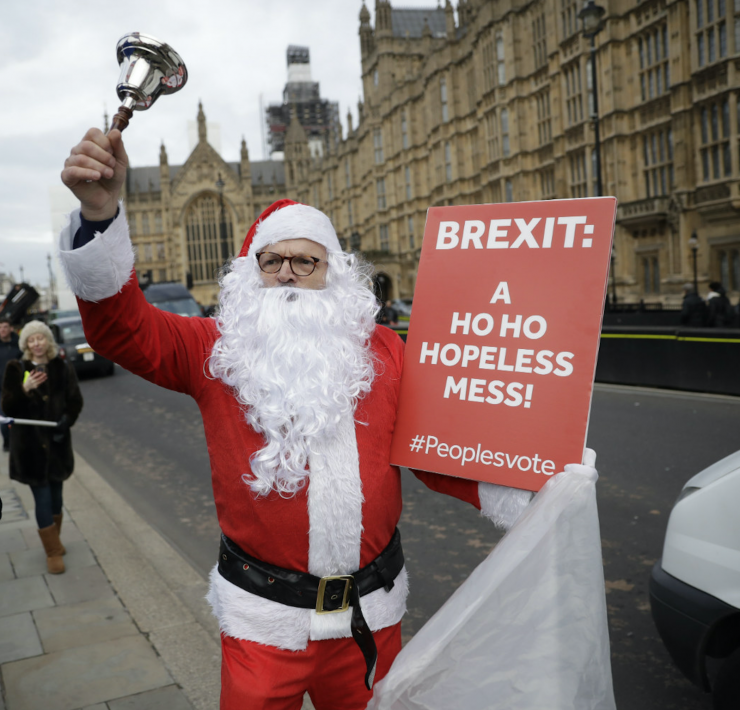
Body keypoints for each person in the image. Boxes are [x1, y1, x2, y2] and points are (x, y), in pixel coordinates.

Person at [58, 127, 597, 710]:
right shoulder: (215, 350)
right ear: (251, 271)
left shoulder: (384, 351)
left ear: (332, 273)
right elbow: (122, 328)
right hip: (262, 627)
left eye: (305, 261)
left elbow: (437, 448)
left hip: (370, 621)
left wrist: (534, 475)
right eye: (273, 260)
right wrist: (100, 213)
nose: (287, 272)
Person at [1, 320, 83, 574]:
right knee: (43, 499)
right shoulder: (16, 368)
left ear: (47, 341)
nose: (36, 343)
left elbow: (75, 401)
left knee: (57, 498)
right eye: (31, 339)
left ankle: (54, 541)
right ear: (25, 343)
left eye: (41, 338)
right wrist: (24, 390)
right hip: (30, 449)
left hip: (57, 446)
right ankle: (52, 552)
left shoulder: (61, 367)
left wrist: (65, 422)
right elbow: (8, 408)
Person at [0, 317, 22, 452]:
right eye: (0, 327)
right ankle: (7, 442)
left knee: (19, 417)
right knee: (4, 419)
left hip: (18, 388)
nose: (2, 330)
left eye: (5, 327)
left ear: (11, 329)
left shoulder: (19, 345)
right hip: (1, 390)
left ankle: (20, 441)